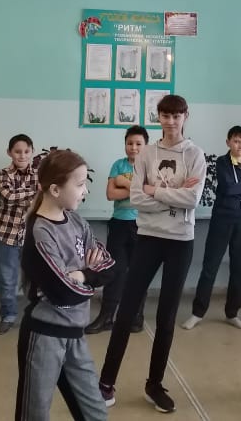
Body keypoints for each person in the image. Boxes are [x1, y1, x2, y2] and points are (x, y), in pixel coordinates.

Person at [98, 94, 206, 413]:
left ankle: (154, 384)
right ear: (158, 117)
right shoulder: (147, 152)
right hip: (148, 238)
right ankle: (106, 383)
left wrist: (153, 191)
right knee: (126, 310)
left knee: (166, 317)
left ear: (185, 117)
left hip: (180, 241)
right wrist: (172, 196)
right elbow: (135, 198)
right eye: (165, 115)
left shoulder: (195, 154)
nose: (170, 121)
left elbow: (192, 199)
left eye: (176, 116)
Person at [17, 150, 116, 420]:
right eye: (80, 184)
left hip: (75, 334)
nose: (85, 191)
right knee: (34, 414)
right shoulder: (40, 232)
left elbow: (109, 267)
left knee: (95, 413)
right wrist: (87, 276)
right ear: (55, 189)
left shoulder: (75, 221)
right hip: (44, 337)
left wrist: (81, 275)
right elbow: (63, 292)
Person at [182, 125, 241, 330]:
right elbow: (226, 186)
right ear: (228, 142)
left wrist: (239, 190)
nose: (240, 145)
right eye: (236, 141)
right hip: (222, 219)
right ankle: (197, 313)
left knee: (239, 268)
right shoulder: (221, 162)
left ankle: (232, 313)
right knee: (210, 266)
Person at [86, 125, 148, 334]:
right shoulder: (118, 165)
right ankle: (106, 317)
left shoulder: (150, 167)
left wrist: (124, 182)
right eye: (130, 143)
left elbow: (148, 195)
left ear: (146, 146)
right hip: (119, 225)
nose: (133, 147)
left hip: (142, 226)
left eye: (138, 144)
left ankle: (136, 317)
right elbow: (111, 194)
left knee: (139, 273)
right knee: (114, 271)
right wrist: (136, 188)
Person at [0, 133, 39, 334]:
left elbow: (44, 199)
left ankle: (34, 314)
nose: (22, 155)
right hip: (6, 233)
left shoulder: (39, 174)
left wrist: (36, 195)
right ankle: (8, 316)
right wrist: (34, 193)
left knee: (34, 277)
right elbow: (9, 197)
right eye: (17, 151)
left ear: (32, 152)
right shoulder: (2, 174)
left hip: (32, 235)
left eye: (26, 151)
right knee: (7, 278)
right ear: (9, 153)